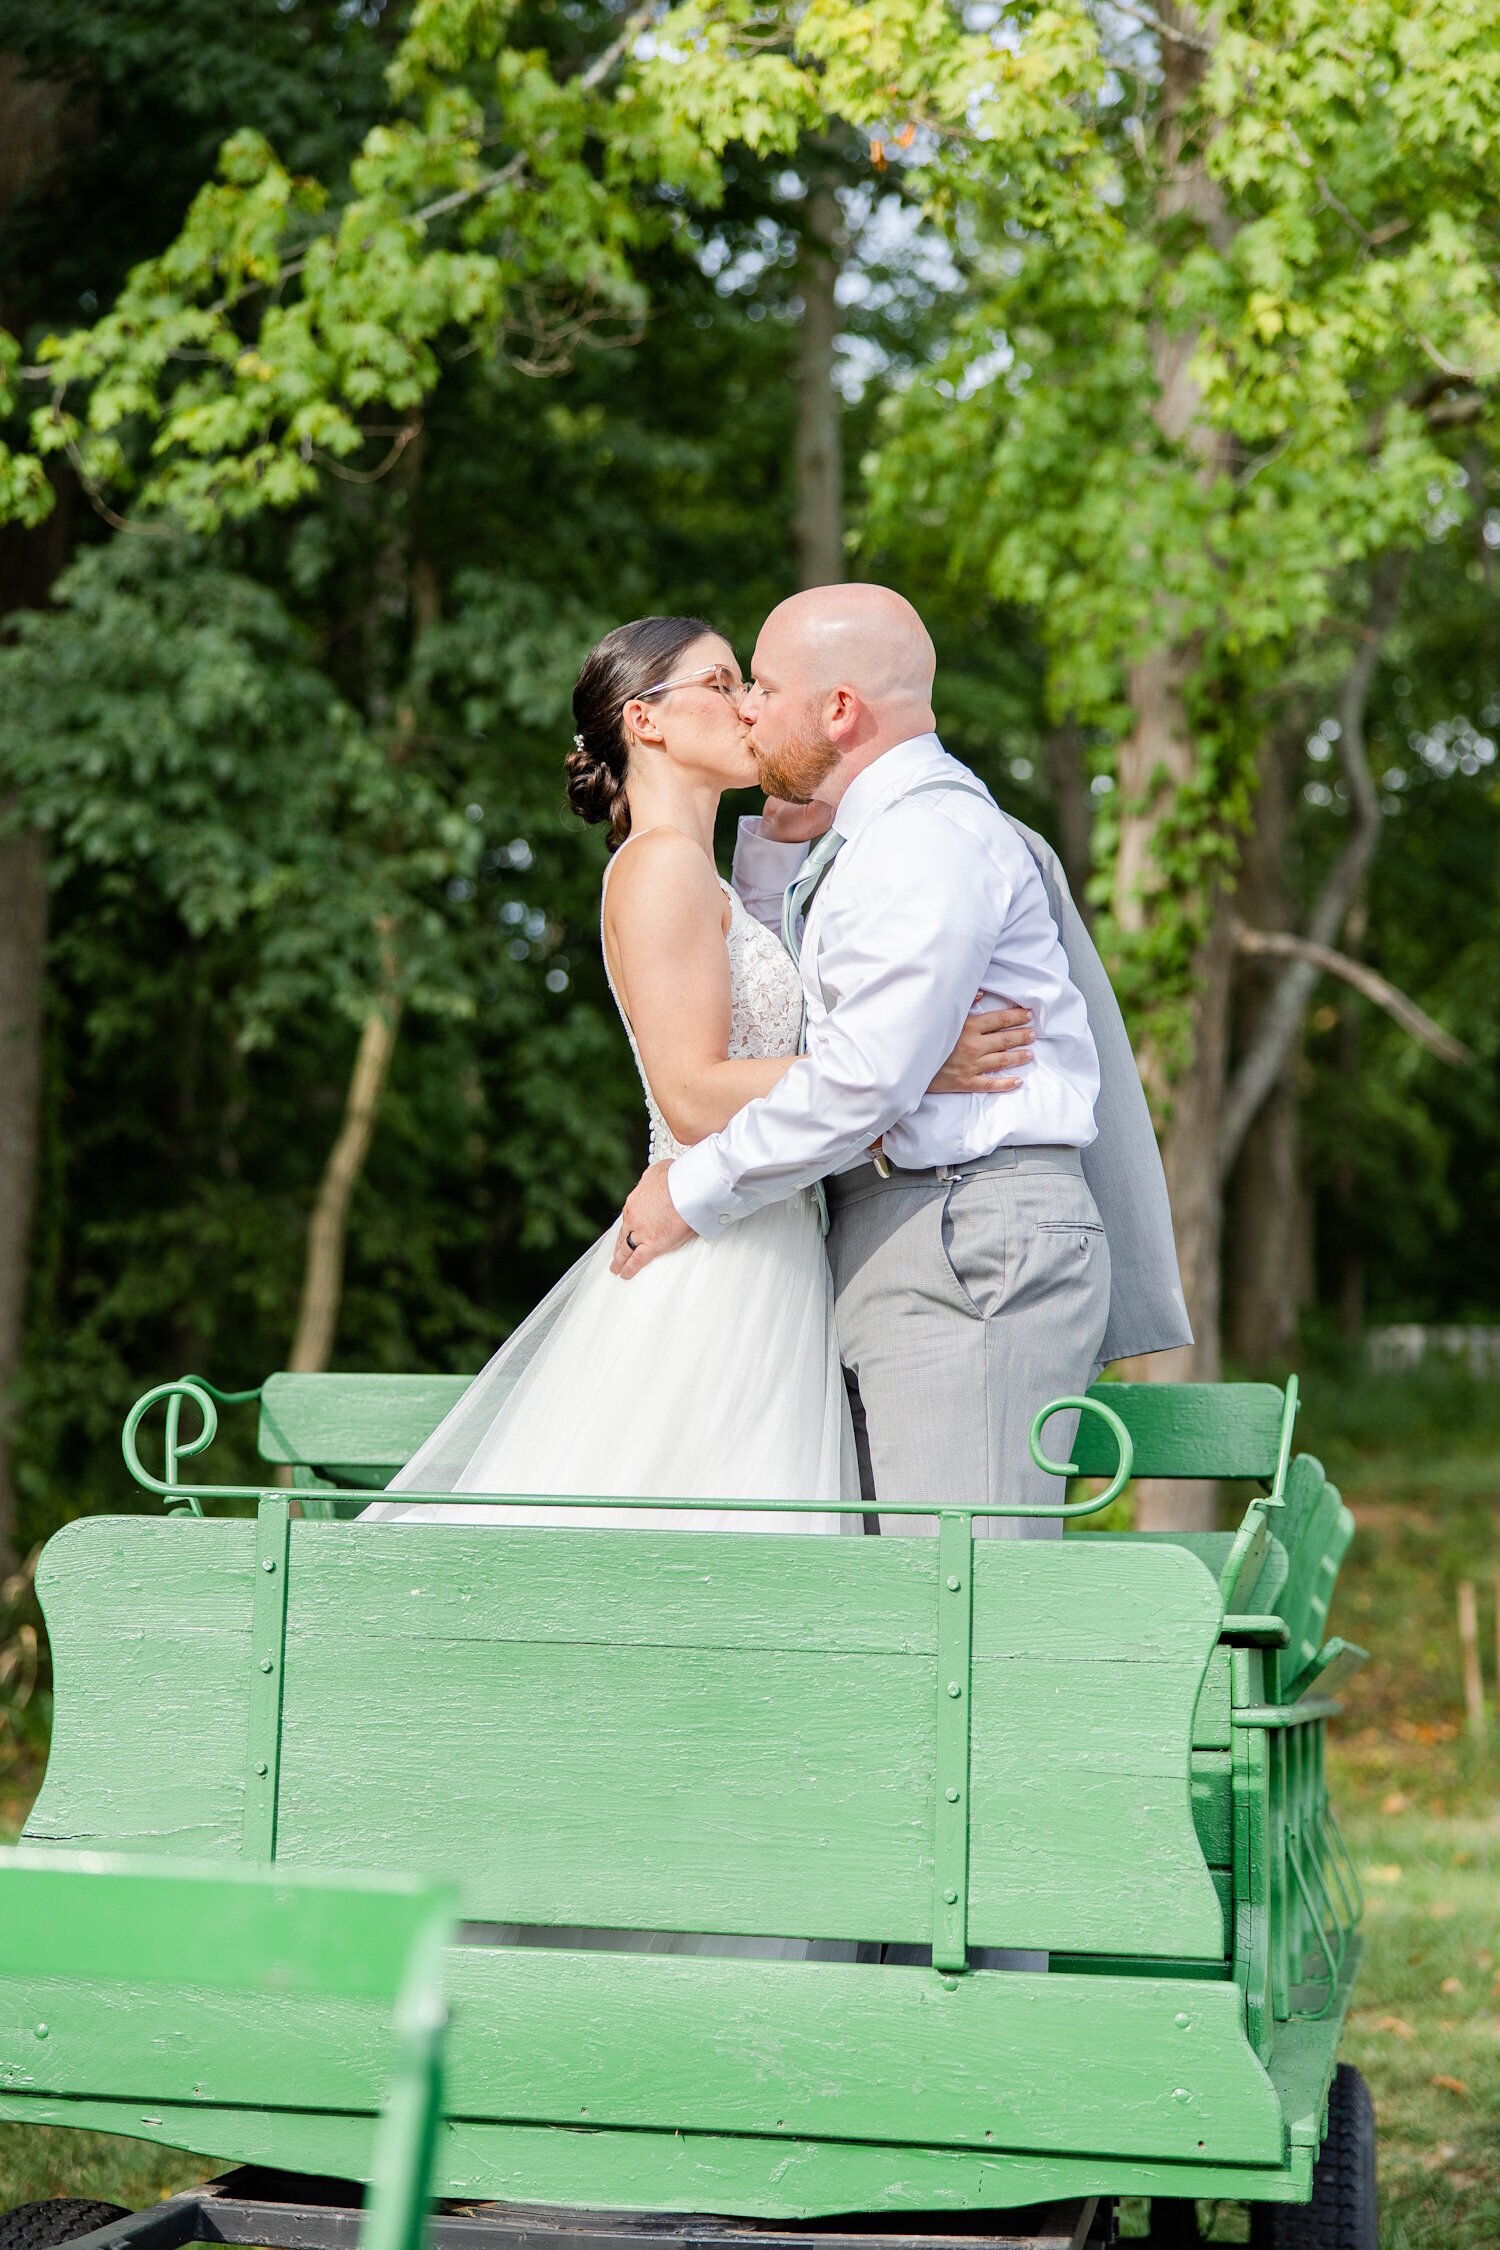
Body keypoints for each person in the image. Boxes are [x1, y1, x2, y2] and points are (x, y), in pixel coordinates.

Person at [361, 613, 1028, 1530]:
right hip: (721, 1263)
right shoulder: (662, 867)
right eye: (721, 685)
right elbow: (691, 1092)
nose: (748, 706)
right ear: (646, 720)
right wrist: (908, 1069)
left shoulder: (704, 875)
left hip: (771, 1238)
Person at [612, 584, 1191, 1539]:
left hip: (964, 1238)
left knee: (956, 1604)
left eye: (758, 686)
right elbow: (816, 1023)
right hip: (912, 1235)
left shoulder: (925, 837)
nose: (747, 709)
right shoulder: (872, 837)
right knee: (907, 1606)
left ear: (839, 709)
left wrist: (692, 1188)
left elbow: (865, 1077)